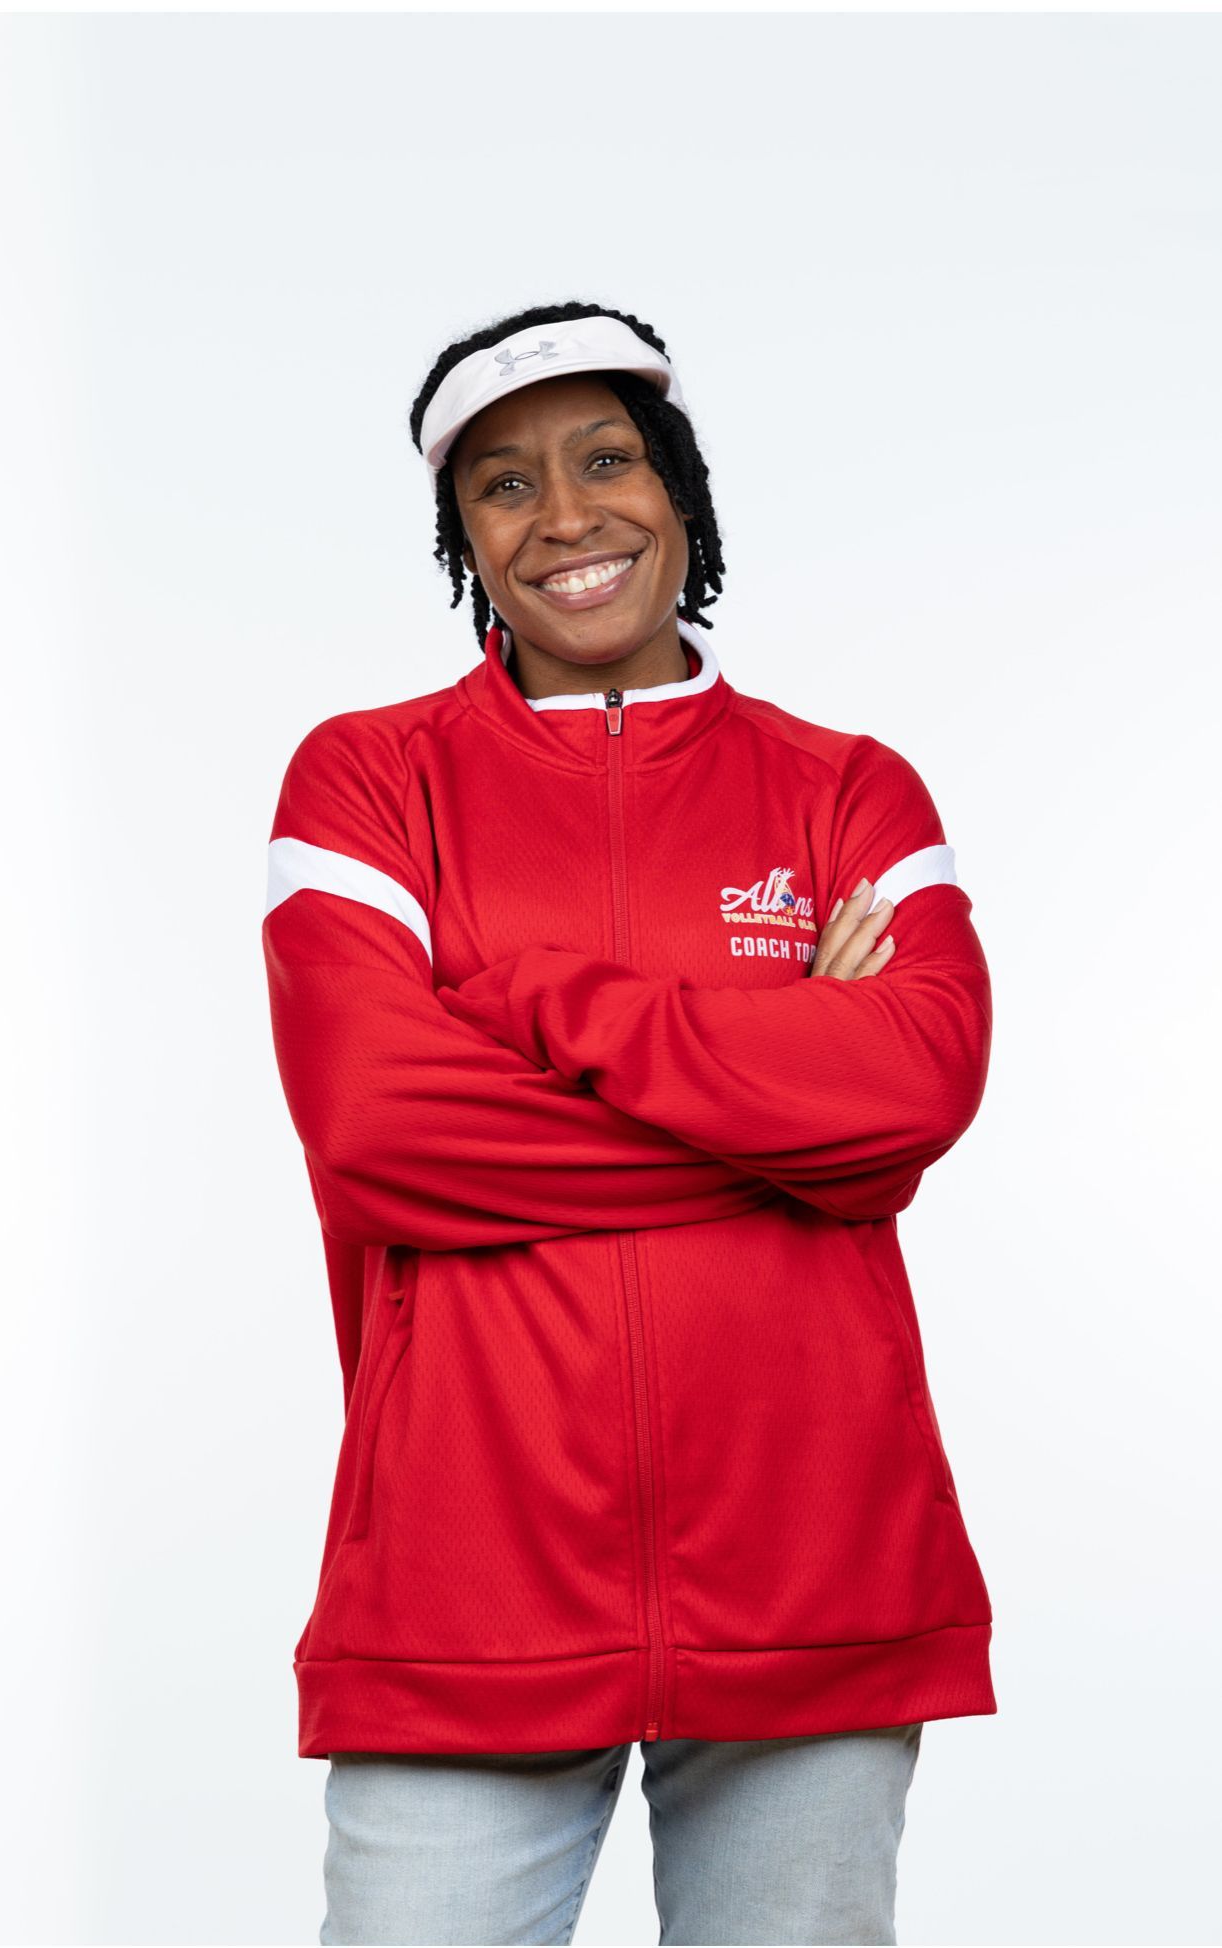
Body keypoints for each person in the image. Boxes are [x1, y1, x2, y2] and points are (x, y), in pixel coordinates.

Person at [261, 300, 996, 1946]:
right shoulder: (367, 783)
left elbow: (912, 1094)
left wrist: (536, 1001)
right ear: (462, 539)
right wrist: (789, 1127)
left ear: (679, 490)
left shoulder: (849, 790)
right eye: (504, 484)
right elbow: (378, 1130)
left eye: (606, 460)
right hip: (466, 1580)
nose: (565, 517)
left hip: (815, 1571)